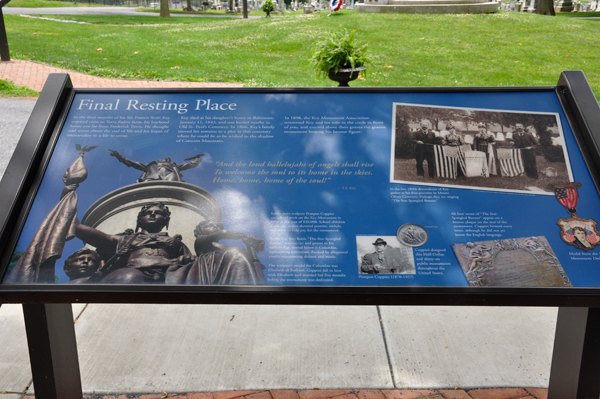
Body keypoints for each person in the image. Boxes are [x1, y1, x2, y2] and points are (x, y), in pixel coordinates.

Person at [75, 202, 194, 284]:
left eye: (158, 213)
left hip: (169, 274)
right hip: (134, 271)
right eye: (148, 212)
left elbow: (189, 261)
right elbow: (96, 236)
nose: (152, 214)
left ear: (165, 220)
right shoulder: (125, 239)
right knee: (129, 277)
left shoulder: (175, 243)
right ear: (140, 220)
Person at [165, 220, 266, 285]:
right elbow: (224, 233)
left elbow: (254, 261)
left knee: (240, 254)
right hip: (209, 266)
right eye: (210, 225)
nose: (215, 227)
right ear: (200, 230)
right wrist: (247, 236)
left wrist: (250, 246)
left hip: (224, 265)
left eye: (218, 226)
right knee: (236, 251)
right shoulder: (201, 239)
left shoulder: (225, 247)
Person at [109, 150, 204, 183]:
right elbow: (134, 164)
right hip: (153, 176)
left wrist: (197, 159)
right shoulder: (151, 165)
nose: (164, 159)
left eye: (167, 159)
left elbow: (190, 165)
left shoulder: (174, 166)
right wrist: (119, 156)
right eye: (163, 159)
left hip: (170, 175)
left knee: (172, 187)